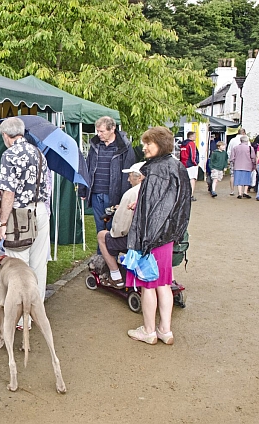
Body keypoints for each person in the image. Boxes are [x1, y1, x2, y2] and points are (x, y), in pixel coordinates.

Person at [126, 126, 191, 345]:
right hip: (168, 236)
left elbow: (156, 209)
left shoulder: (156, 169)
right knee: (163, 284)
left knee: (148, 285)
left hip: (152, 237)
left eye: (148, 143)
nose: (144, 147)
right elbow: (170, 203)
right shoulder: (176, 166)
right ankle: (165, 330)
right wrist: (141, 203)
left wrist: (145, 240)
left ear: (160, 145)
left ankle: (148, 330)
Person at [0, 117, 50, 306]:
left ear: (5, 135)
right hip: (41, 210)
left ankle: (19, 316)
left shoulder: (9, 155)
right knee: (38, 265)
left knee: (18, 266)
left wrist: (2, 223)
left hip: (20, 215)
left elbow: (8, 193)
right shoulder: (38, 152)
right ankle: (36, 307)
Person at [78, 116, 135, 253]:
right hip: (96, 193)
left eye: (102, 131)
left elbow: (129, 173)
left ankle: (113, 262)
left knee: (113, 228)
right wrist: (83, 190)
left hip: (114, 195)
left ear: (112, 129)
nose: (99, 134)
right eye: (98, 131)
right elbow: (87, 167)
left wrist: (124, 197)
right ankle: (101, 260)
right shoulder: (95, 146)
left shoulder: (125, 148)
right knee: (100, 228)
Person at [95, 161, 145, 288]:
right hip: (149, 238)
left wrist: (113, 234)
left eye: (130, 176)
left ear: (139, 177)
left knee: (102, 236)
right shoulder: (153, 189)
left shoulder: (131, 193)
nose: (128, 180)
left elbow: (120, 227)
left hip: (134, 241)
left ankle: (116, 276)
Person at [229, 135, 256, 199]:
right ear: (247, 141)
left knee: (239, 180)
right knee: (247, 179)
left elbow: (232, 158)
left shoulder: (235, 148)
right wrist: (254, 165)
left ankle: (240, 193)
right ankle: (245, 192)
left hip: (237, 166)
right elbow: (253, 158)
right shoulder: (250, 148)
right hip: (247, 166)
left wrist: (233, 163)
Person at [179, 131, 199, 201]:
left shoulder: (182, 144)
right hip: (190, 164)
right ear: (192, 136)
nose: (196, 137)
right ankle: (191, 195)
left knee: (185, 180)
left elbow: (181, 154)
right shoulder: (191, 144)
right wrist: (195, 163)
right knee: (192, 179)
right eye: (195, 136)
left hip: (183, 164)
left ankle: (183, 194)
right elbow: (193, 154)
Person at [227, 129, 245, 195]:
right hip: (243, 160)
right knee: (242, 174)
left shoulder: (232, 140)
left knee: (232, 175)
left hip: (233, 159)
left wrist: (229, 159)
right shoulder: (245, 140)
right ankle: (240, 191)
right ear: (243, 133)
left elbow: (229, 150)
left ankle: (232, 190)